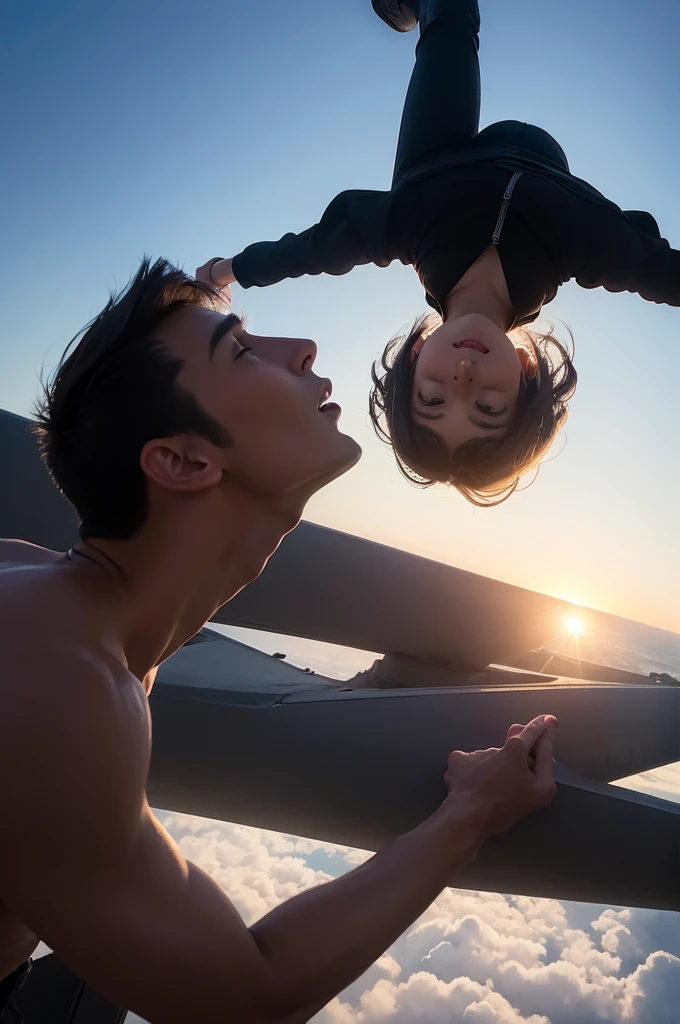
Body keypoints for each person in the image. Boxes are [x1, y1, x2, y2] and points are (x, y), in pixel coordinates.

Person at [0, 257, 557, 1022]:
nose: (301, 348)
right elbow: (244, 998)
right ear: (186, 461)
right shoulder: (60, 685)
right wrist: (473, 812)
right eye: (239, 349)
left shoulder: (53, 613)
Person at [200, 0, 680, 506]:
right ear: (527, 373)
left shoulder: (405, 230)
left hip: (437, 160)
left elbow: (311, 251)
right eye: (487, 408)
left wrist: (227, 271)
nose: (463, 379)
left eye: (433, 398)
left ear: (413, 356)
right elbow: (664, 275)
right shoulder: (584, 247)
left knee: (450, 20)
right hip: (548, 159)